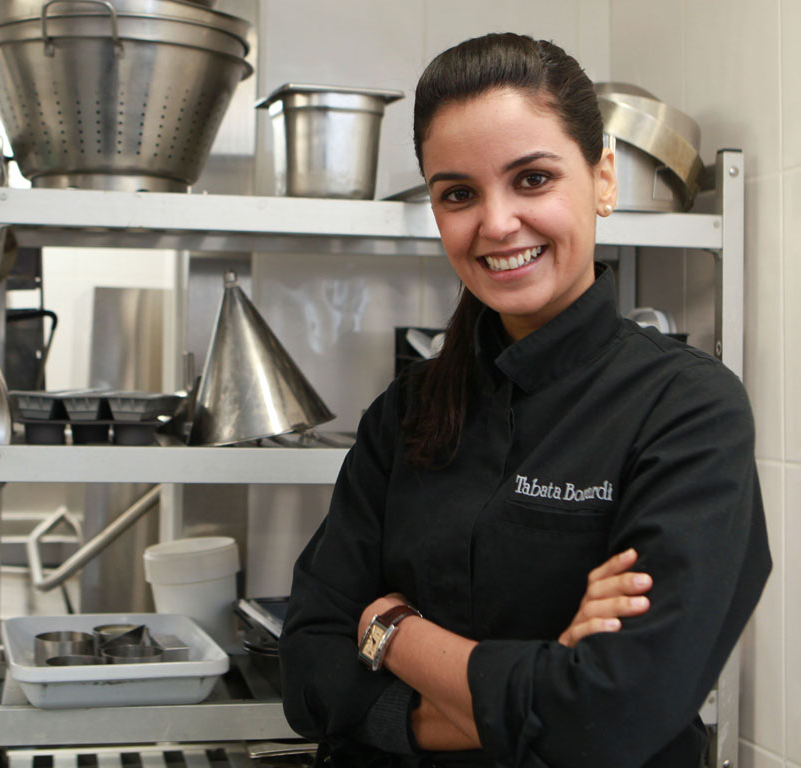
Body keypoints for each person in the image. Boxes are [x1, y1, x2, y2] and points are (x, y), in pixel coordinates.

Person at [278, 32, 771, 768]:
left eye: (533, 179)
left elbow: (612, 718)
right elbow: (307, 674)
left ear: (603, 178)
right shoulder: (407, 413)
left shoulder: (688, 410)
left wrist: (395, 633)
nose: (497, 223)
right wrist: (540, 687)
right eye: (458, 194)